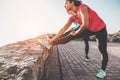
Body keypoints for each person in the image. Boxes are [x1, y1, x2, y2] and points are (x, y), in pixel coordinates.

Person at [39, 0, 108, 79]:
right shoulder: (72, 17)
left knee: (102, 49)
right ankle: (50, 43)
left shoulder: (83, 7)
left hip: (100, 29)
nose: (65, 5)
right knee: (70, 34)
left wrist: (76, 32)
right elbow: (63, 29)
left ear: (72, 2)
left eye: (66, 3)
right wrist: (53, 39)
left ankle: (103, 71)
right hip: (90, 29)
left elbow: (85, 24)